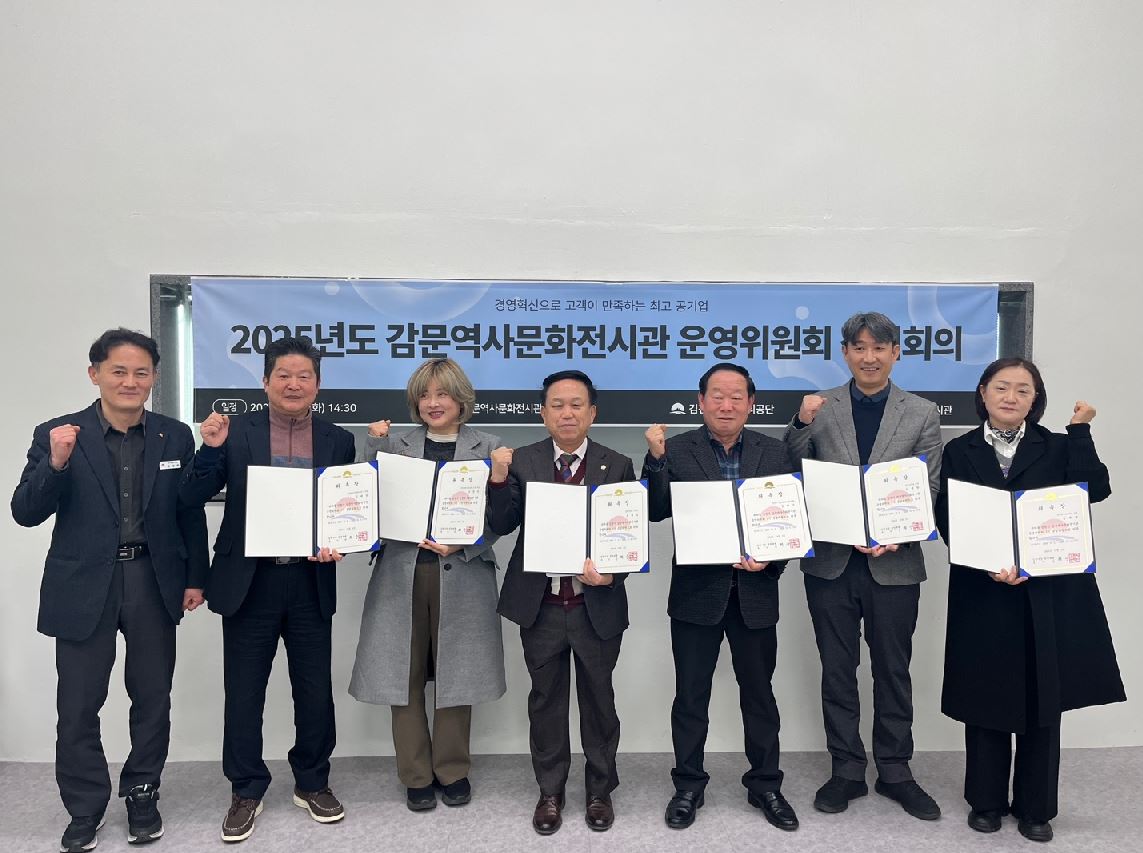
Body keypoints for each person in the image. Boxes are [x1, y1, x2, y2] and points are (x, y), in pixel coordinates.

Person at [11, 328, 209, 852]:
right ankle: (85, 806)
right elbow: (25, 512)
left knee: (152, 696)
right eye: (118, 371)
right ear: (94, 373)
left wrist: (196, 576)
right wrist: (55, 463)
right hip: (82, 585)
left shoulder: (174, 436)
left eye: (141, 372)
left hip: (152, 579)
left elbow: (188, 511)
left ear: (155, 378)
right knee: (79, 702)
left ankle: (142, 792)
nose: (130, 381)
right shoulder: (57, 434)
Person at [935, 357, 1124, 843]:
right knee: (986, 693)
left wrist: (1080, 430)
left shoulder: (1058, 445)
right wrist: (985, 560)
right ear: (983, 393)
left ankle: (1036, 807)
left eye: (1024, 390)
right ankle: (985, 801)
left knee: (1043, 698)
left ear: (1035, 400)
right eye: (1002, 387)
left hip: (1046, 593)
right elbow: (948, 515)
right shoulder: (959, 449)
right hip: (983, 588)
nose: (1011, 397)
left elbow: (1095, 489)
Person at [179, 336, 355, 843]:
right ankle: (247, 788)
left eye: (304, 376)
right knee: (244, 691)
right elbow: (192, 495)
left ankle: (312, 781)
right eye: (284, 375)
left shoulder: (338, 440)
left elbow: (346, 508)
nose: (293, 384)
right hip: (248, 582)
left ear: (317, 384)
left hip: (310, 580)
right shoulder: (234, 433)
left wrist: (341, 542)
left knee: (314, 691)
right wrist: (211, 449)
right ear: (265, 381)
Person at [782, 311, 943, 820]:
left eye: (879, 348)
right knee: (837, 668)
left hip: (895, 565)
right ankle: (847, 769)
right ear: (845, 353)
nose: (869, 357)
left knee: (893, 669)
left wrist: (896, 533)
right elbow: (791, 469)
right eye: (859, 348)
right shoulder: (819, 407)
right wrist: (801, 423)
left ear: (896, 353)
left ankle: (895, 770)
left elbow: (929, 487)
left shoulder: (921, 413)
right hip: (832, 563)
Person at [643, 362, 800, 833]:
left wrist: (770, 561)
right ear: (701, 402)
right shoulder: (676, 449)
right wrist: (655, 460)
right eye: (717, 395)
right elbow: (654, 511)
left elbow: (789, 521)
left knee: (760, 695)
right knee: (691, 696)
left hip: (756, 594)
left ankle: (766, 784)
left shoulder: (775, 452)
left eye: (736, 397)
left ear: (751, 404)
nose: (726, 405)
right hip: (696, 595)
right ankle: (688, 785)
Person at [349, 358, 506, 811]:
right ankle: (415, 774)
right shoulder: (394, 445)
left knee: (458, 675)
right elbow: (364, 502)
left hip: (464, 573)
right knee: (404, 674)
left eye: (442, 394)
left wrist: (468, 542)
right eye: (424, 395)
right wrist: (372, 448)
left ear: (461, 398)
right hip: (403, 572)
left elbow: (504, 516)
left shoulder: (490, 447)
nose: (433, 403)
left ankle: (452, 770)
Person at [488, 370, 636, 835]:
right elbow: (503, 523)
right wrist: (497, 480)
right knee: (545, 702)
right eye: (557, 405)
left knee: (599, 702)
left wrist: (611, 574)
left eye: (576, 405)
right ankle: (550, 791)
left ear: (592, 413)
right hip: (542, 605)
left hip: (596, 607)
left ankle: (599, 792)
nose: (566, 413)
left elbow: (628, 537)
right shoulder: (524, 461)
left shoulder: (618, 463)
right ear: (543, 413)